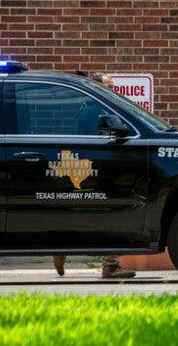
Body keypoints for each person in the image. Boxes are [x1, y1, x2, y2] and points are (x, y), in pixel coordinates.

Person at [54, 72, 136, 279]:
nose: (112, 90)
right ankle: (110, 265)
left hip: (95, 169)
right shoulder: (95, 111)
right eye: (108, 86)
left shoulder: (92, 109)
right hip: (98, 170)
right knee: (113, 215)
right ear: (97, 87)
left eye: (113, 86)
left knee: (90, 214)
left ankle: (62, 247)